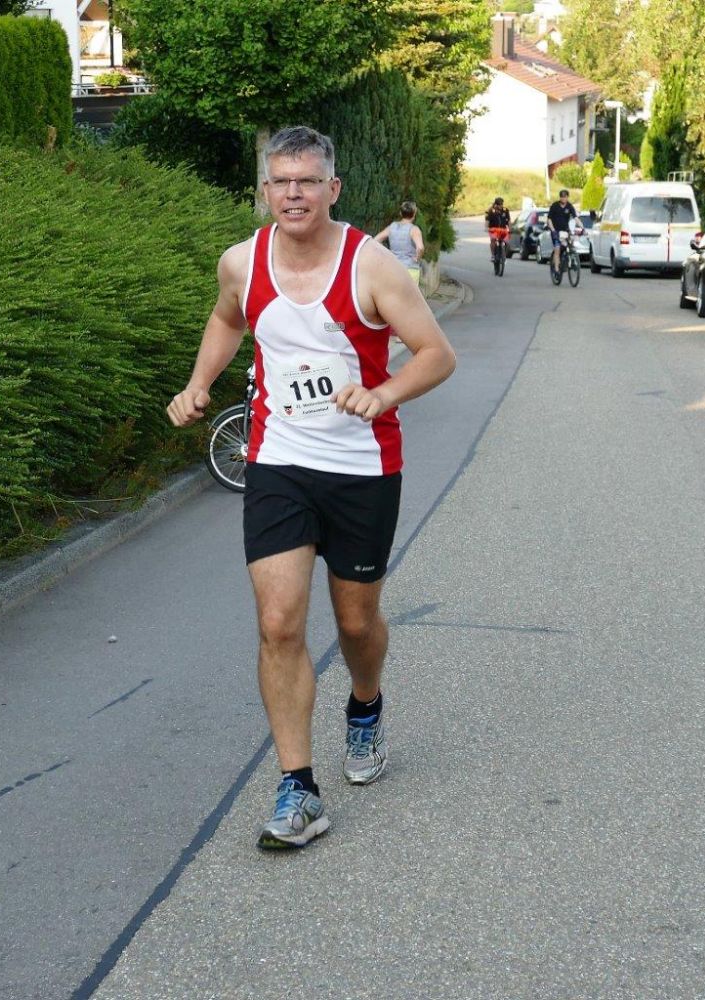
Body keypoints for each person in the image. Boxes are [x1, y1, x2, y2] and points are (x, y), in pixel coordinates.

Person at [166, 125, 456, 850]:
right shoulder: (241, 262)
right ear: (265, 190)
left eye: (308, 181)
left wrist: (384, 394)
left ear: (332, 188)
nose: (293, 194)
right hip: (278, 462)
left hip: (362, 468)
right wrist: (199, 383)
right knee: (278, 622)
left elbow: (436, 354)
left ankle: (365, 706)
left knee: (356, 623)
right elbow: (226, 319)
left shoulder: (372, 267)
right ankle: (298, 788)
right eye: (281, 181)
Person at [374, 200, 425, 283]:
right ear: (414, 214)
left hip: (393, 268)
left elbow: (376, 240)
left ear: (401, 213)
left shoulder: (392, 227)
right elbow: (420, 247)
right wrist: (417, 258)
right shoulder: (414, 230)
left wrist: (386, 253)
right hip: (409, 269)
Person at [547, 188, 578, 274]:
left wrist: (582, 227)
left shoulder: (569, 206)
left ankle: (570, 261)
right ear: (560, 197)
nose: (564, 198)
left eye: (565, 197)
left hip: (565, 231)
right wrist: (553, 230)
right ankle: (556, 268)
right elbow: (549, 219)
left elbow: (575, 218)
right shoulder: (554, 206)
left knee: (570, 244)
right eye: (562, 197)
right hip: (556, 231)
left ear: (567, 197)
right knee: (557, 249)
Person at [485, 196, 511, 261]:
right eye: (499, 204)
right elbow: (487, 221)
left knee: (507, 242)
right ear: (496, 204)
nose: (501, 206)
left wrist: (510, 228)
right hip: (493, 229)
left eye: (502, 204)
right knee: (493, 240)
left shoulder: (505, 210)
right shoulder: (491, 211)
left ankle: (503, 254)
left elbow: (509, 221)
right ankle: (493, 255)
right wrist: (486, 227)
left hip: (503, 229)